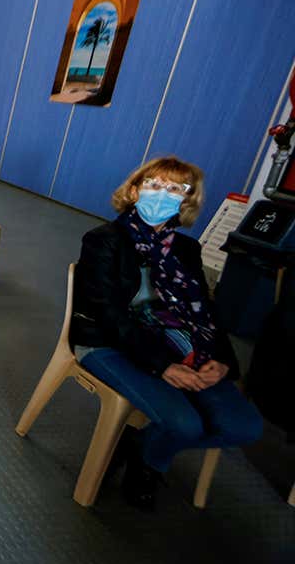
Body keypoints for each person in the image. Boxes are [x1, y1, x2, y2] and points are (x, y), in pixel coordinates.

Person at [71, 156, 263, 510]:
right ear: (134, 190)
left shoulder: (187, 250)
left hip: (183, 348)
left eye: (175, 189)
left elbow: (205, 311)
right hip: (107, 343)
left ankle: (139, 445)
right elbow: (107, 313)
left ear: (186, 201)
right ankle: (151, 462)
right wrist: (162, 365)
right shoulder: (104, 240)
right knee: (185, 425)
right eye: (154, 185)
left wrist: (221, 360)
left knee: (245, 427)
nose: (162, 194)